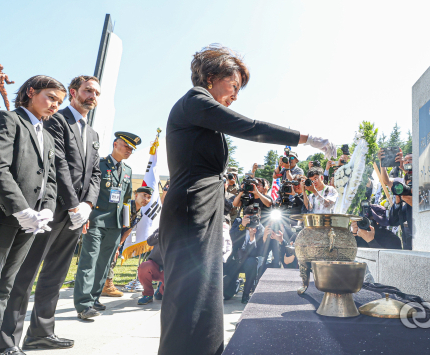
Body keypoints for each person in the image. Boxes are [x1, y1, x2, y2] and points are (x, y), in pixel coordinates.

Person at [159, 44, 335, 355]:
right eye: (234, 85)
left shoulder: (201, 108)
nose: (236, 95)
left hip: (204, 206)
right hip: (191, 207)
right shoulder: (195, 101)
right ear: (211, 77)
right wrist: (306, 139)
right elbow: (250, 128)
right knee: (190, 293)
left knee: (206, 288)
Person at [0, 75, 102, 354]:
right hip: (50, 210)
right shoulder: (57, 119)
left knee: (55, 276)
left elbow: (95, 174)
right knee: (26, 276)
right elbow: (59, 165)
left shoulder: (92, 133)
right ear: (73, 92)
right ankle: (7, 340)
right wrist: (72, 204)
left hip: (76, 214)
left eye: (97, 93)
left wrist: (88, 205)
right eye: (88, 90)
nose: (93, 96)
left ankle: (41, 333)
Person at [0, 75, 64, 355]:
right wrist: (21, 208)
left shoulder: (47, 135)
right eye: (51, 97)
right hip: (0, 216)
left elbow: (50, 180)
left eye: (59, 102)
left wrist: (46, 210)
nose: (55, 105)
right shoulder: (6, 119)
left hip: (31, 223)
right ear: (30, 91)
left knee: (4, 288)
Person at [73, 132, 139, 320]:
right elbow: (86, 191)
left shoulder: (127, 170)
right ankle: (83, 304)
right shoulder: (99, 165)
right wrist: (84, 217)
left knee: (104, 264)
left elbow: (126, 201)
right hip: (95, 220)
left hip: (115, 224)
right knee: (89, 262)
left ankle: (93, 299)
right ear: (115, 144)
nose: (129, 151)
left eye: (131, 149)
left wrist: (125, 227)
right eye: (126, 147)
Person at [102, 186, 152, 297]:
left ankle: (105, 285)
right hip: (108, 235)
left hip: (117, 238)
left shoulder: (140, 213)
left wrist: (119, 245)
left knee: (111, 259)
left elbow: (128, 230)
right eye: (144, 195)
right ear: (136, 195)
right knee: (109, 259)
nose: (146, 199)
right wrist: (114, 245)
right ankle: (107, 285)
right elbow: (116, 226)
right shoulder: (126, 207)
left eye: (149, 197)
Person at [226, 206, 265, 304]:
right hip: (235, 258)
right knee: (227, 295)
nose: (250, 220)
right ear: (243, 216)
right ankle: (234, 285)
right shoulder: (239, 222)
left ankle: (246, 295)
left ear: (259, 218)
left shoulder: (260, 228)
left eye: (254, 218)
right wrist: (242, 226)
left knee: (252, 262)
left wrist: (252, 238)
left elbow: (257, 252)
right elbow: (232, 239)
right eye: (248, 217)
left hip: (248, 259)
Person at [136, 227, 164, 306]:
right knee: (144, 266)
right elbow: (150, 241)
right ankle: (147, 294)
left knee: (162, 296)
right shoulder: (163, 226)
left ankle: (161, 289)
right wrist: (164, 231)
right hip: (155, 265)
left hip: (172, 269)